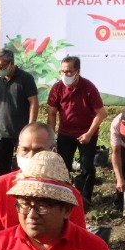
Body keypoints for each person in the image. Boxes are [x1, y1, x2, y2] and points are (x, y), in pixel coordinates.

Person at [0, 123, 86, 247]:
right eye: (25, 150)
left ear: (53, 152)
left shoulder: (68, 194)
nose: (31, 156)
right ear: (17, 151)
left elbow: (77, 243)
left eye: (39, 151)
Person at [46, 56, 106, 199]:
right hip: (65, 133)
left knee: (87, 167)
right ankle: (63, 195)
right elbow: (51, 113)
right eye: (62, 72)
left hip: (86, 134)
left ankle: (85, 198)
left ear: (77, 72)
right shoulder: (57, 88)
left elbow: (101, 113)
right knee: (62, 165)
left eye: (68, 72)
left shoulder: (88, 87)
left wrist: (90, 134)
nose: (64, 75)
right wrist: (50, 137)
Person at [0, 48, 40, 175]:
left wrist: (30, 127)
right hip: (1, 131)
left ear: (11, 63)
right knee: (2, 167)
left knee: (24, 166)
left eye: (2, 66)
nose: (0, 69)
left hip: (21, 131)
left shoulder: (25, 78)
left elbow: (33, 102)